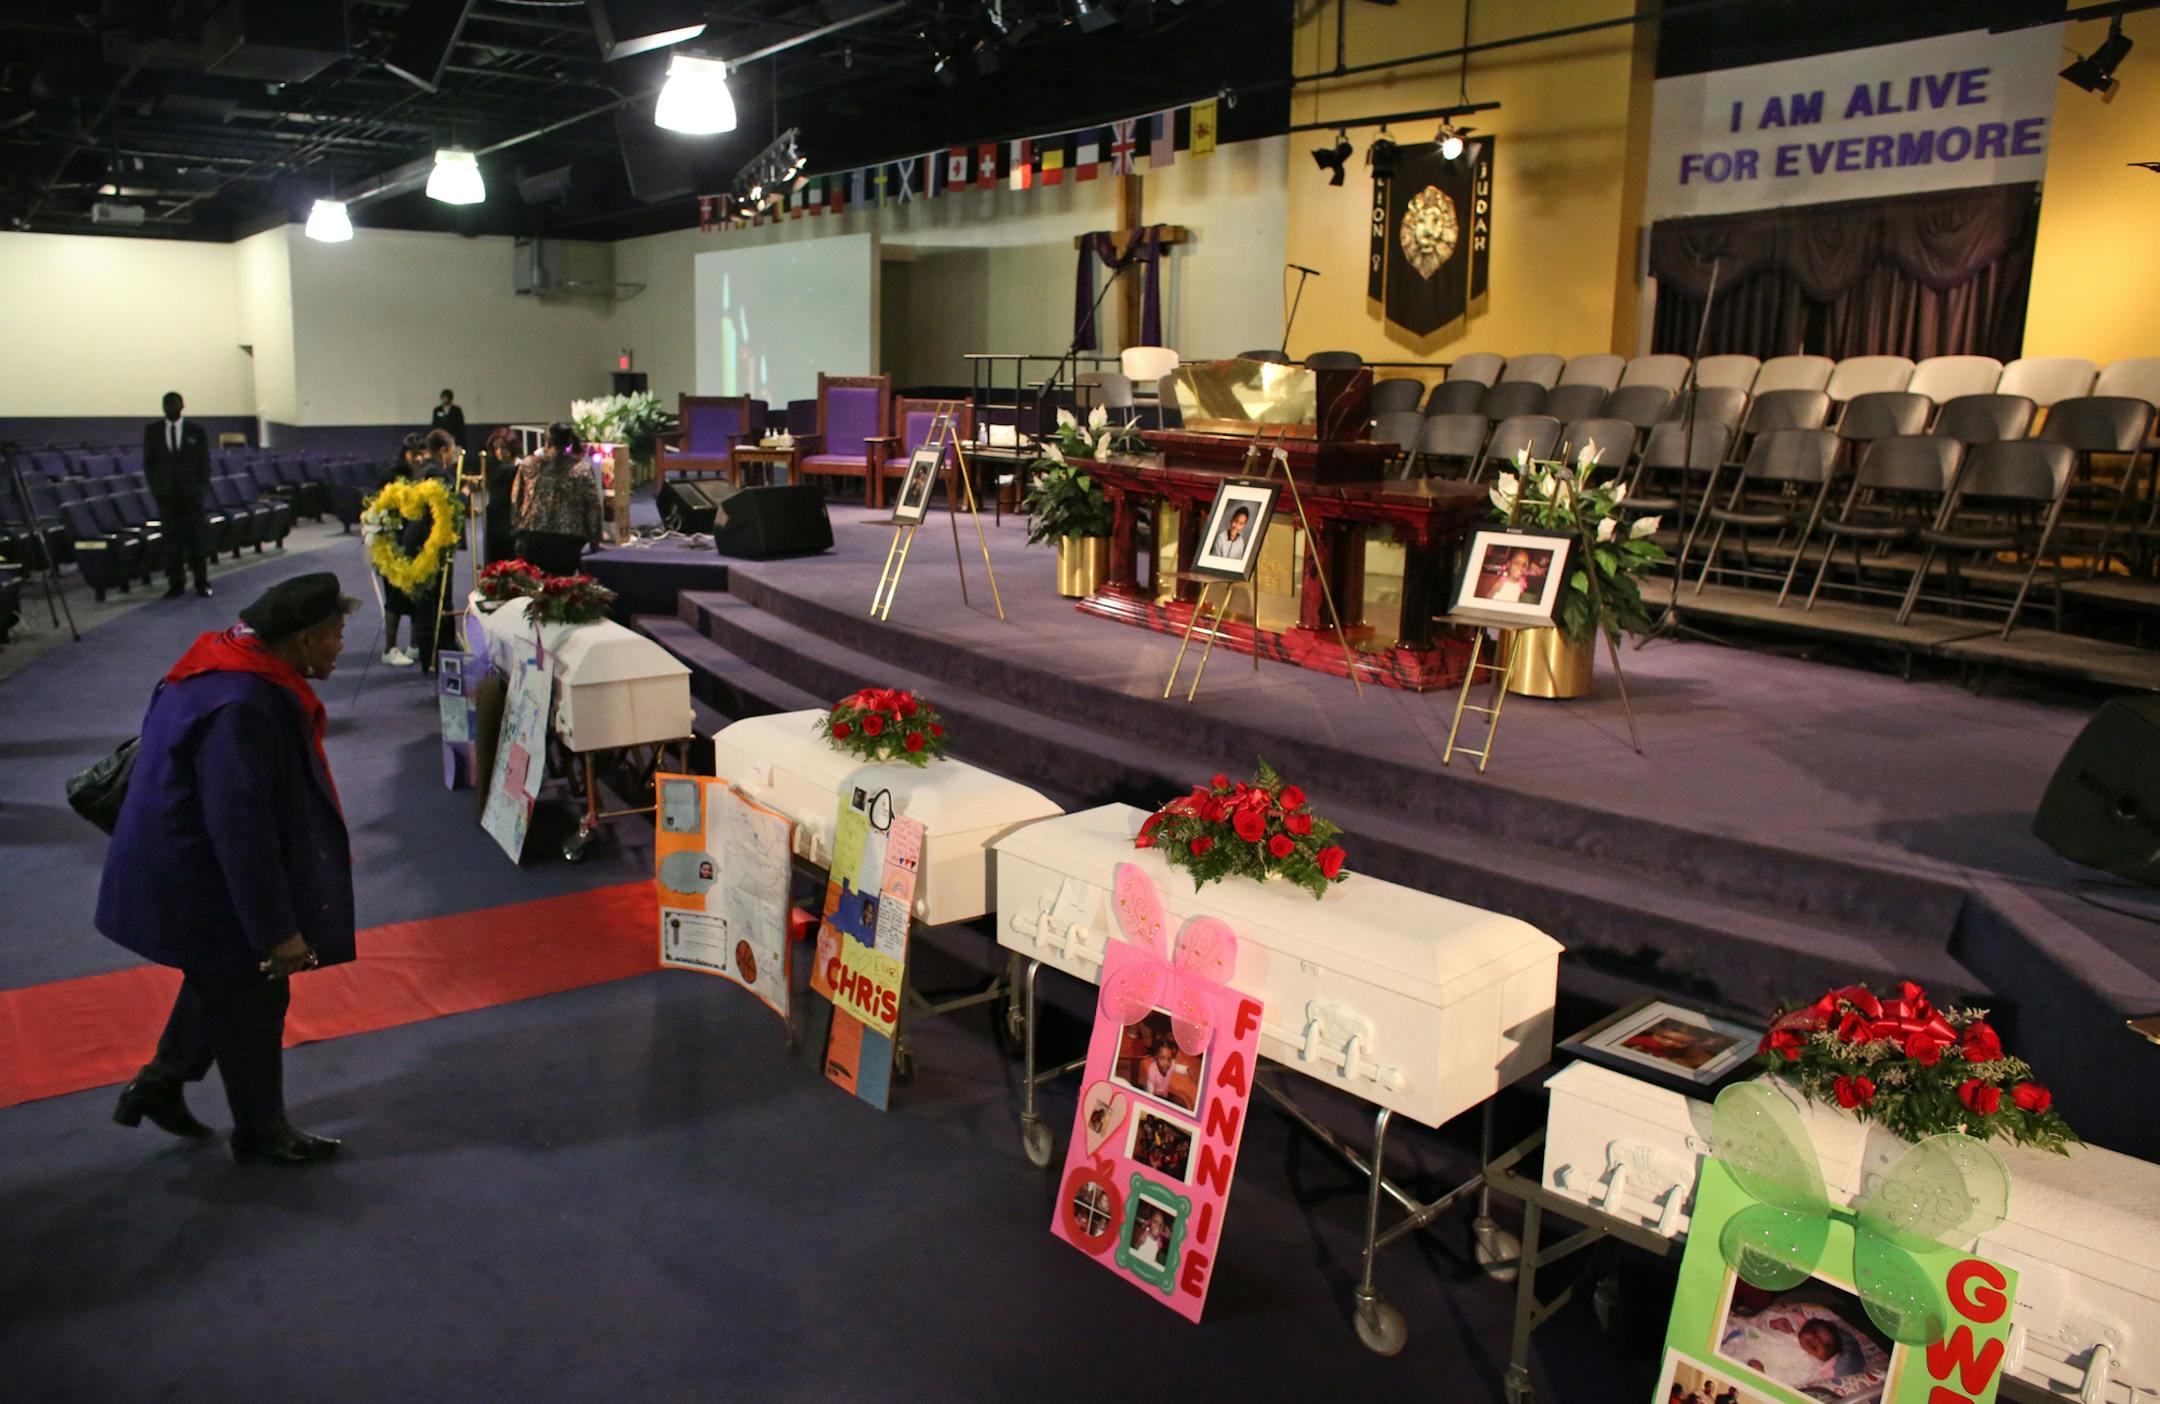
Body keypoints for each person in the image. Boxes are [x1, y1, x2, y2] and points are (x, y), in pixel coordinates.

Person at [97, 572, 358, 1165]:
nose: (342, 645)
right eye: (336, 634)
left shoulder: (225, 662)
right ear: (302, 638)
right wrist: (278, 933)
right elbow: (241, 834)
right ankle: (261, 1131)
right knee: (257, 995)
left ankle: (159, 1085)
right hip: (195, 876)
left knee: (221, 980)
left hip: (180, 860)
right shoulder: (243, 706)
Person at [370, 433, 433, 667]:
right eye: (413, 454)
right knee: (395, 598)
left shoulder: (424, 475)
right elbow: (378, 510)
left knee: (416, 594)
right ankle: (389, 647)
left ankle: (415, 644)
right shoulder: (390, 476)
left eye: (421, 454)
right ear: (405, 454)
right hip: (392, 545)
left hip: (416, 543)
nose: (417, 458)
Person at [143, 390, 213, 599]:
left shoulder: (196, 431)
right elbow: (150, 465)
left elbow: (204, 463)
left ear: (182, 406)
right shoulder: (152, 431)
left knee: (196, 541)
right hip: (167, 499)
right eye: (166, 404)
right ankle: (176, 584)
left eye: (174, 404)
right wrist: (158, 491)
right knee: (171, 544)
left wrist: (199, 490)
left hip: (192, 498)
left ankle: (201, 582)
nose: (170, 408)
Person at [513, 421, 603, 577]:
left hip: (533, 535)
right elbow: (593, 505)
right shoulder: (581, 468)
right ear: (569, 441)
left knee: (533, 586)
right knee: (560, 588)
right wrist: (594, 539)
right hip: (568, 539)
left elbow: (516, 498)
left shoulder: (529, 464)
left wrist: (516, 526)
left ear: (546, 440)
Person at [480, 427, 521, 567]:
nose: (499, 452)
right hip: (496, 521)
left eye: (503, 447)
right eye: (496, 448)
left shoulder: (522, 468)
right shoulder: (492, 468)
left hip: (515, 520)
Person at [430, 388, 467, 453]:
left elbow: (460, 424)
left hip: (454, 438)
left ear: (450, 398)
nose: (444, 399)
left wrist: (453, 436)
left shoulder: (456, 410)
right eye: (443, 397)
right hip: (441, 439)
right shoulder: (437, 410)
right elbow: (435, 424)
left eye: (446, 397)